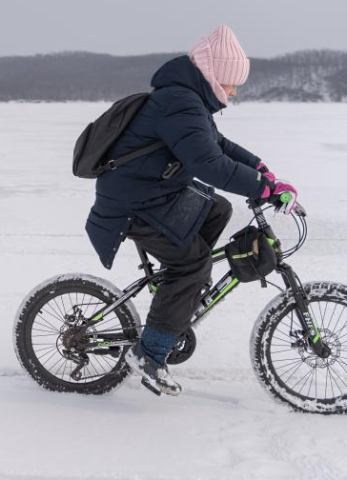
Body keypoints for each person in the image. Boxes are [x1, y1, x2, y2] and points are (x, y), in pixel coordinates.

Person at [84, 25, 298, 396]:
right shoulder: (178, 102)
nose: (233, 91)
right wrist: (264, 189)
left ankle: (177, 288)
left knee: (217, 208)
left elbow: (219, 144)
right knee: (193, 263)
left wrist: (261, 170)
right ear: (214, 75)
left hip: (154, 193)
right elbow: (208, 163)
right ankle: (149, 353)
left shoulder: (187, 100)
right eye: (231, 82)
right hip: (133, 203)